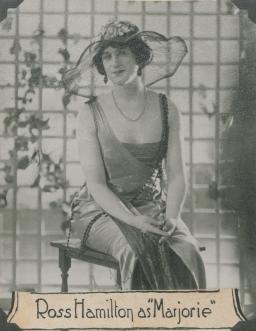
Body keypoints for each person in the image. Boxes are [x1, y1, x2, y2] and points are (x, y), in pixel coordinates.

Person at [63, 20, 206, 290]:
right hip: (100, 210)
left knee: (188, 250)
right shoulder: (90, 113)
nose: (115, 61)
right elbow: (96, 184)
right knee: (135, 250)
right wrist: (133, 221)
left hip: (151, 207)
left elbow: (176, 175)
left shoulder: (168, 108)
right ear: (101, 66)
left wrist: (172, 217)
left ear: (139, 57)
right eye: (107, 55)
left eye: (123, 52)